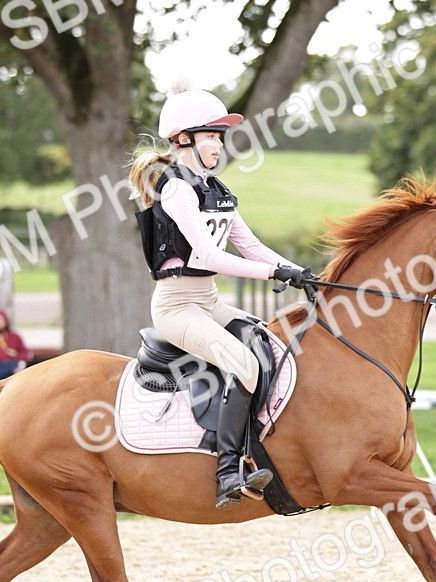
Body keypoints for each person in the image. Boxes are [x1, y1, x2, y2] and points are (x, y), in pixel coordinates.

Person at [127, 83, 314, 510]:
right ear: (183, 140)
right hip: (177, 307)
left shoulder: (216, 189)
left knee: (269, 345)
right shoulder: (176, 188)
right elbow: (209, 255)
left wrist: (300, 272)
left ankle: (257, 445)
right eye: (211, 136)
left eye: (220, 136)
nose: (219, 145)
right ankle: (228, 473)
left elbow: (250, 245)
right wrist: (274, 273)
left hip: (209, 301)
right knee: (243, 364)